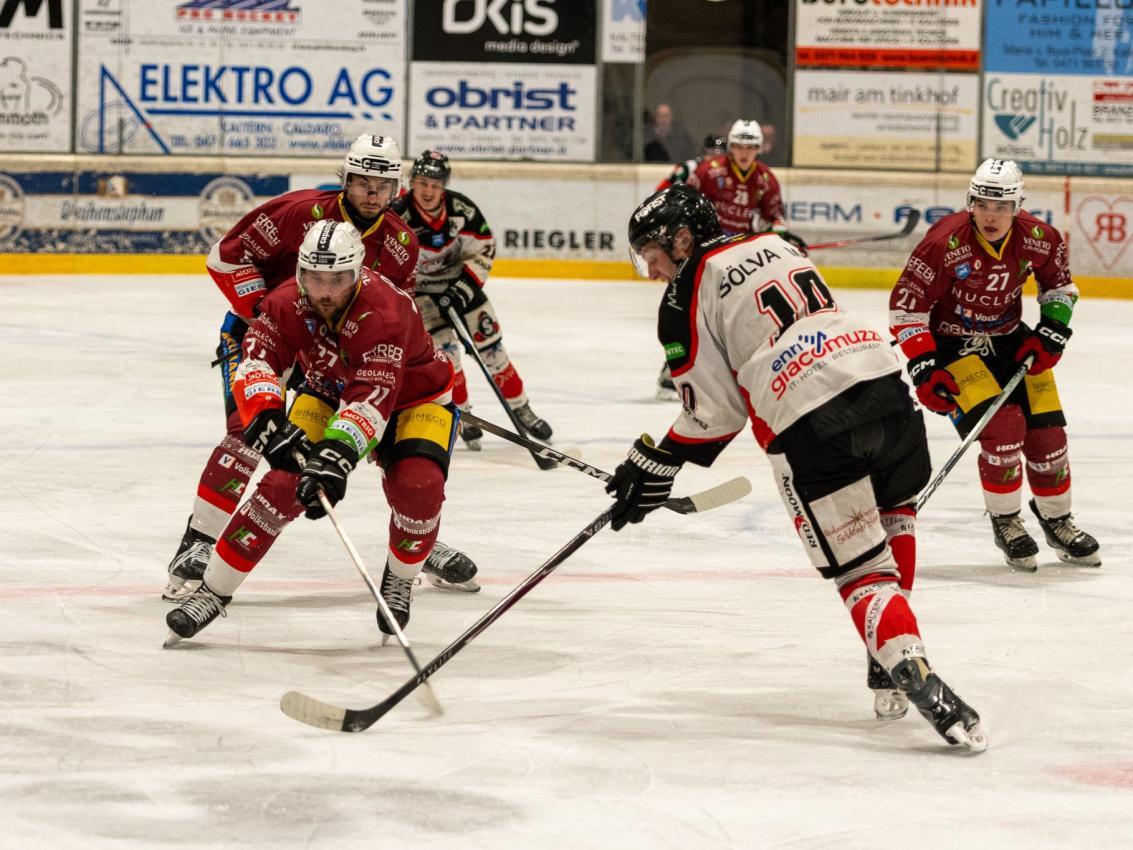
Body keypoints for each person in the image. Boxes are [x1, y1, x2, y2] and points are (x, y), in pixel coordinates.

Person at [606, 184, 988, 752]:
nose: (653, 270)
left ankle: (908, 663)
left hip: (810, 421)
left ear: (681, 238)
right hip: (885, 387)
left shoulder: (684, 295)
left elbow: (711, 415)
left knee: (861, 573)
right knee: (896, 512)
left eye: (653, 255)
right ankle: (885, 659)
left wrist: (650, 463)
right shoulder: (778, 243)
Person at [163, 134, 478, 603]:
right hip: (270, 335)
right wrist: (269, 318)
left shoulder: (400, 243)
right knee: (247, 436)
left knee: (387, 443)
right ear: (345, 180)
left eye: (382, 184)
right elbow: (226, 257)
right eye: (361, 181)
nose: (371, 193)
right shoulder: (298, 212)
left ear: (396, 189)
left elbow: (391, 314)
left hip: (337, 357)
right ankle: (197, 543)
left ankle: (414, 540)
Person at [889, 158, 1101, 571]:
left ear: (1017, 205)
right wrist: (925, 367)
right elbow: (906, 309)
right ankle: (1006, 521)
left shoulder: (1041, 238)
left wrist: (1051, 331)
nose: (991, 214)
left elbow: (1059, 286)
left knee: (1049, 437)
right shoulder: (944, 242)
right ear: (970, 202)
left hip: (1011, 341)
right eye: (983, 203)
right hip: (955, 348)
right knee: (1003, 431)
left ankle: (1057, 520)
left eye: (1001, 206)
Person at [391, 150, 553, 450]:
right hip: (423, 295)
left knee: (492, 349)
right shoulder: (398, 215)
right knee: (447, 356)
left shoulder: (461, 209)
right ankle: (463, 415)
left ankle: (521, 407)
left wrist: (464, 286)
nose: (428, 191)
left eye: (435, 185)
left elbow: (485, 248)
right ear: (412, 182)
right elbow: (390, 265)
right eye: (423, 183)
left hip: (462, 285)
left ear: (445, 186)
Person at [686, 119, 800, 246]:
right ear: (731, 147)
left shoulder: (766, 178)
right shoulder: (707, 171)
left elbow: (774, 217)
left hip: (743, 245)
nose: (744, 153)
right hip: (709, 241)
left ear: (759, 149)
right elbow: (687, 205)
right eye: (739, 146)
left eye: (751, 147)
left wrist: (780, 231)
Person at [655, 133, 726, 192]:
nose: (715, 158)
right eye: (712, 153)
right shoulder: (688, 167)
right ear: (705, 152)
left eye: (720, 156)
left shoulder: (725, 171)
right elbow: (662, 188)